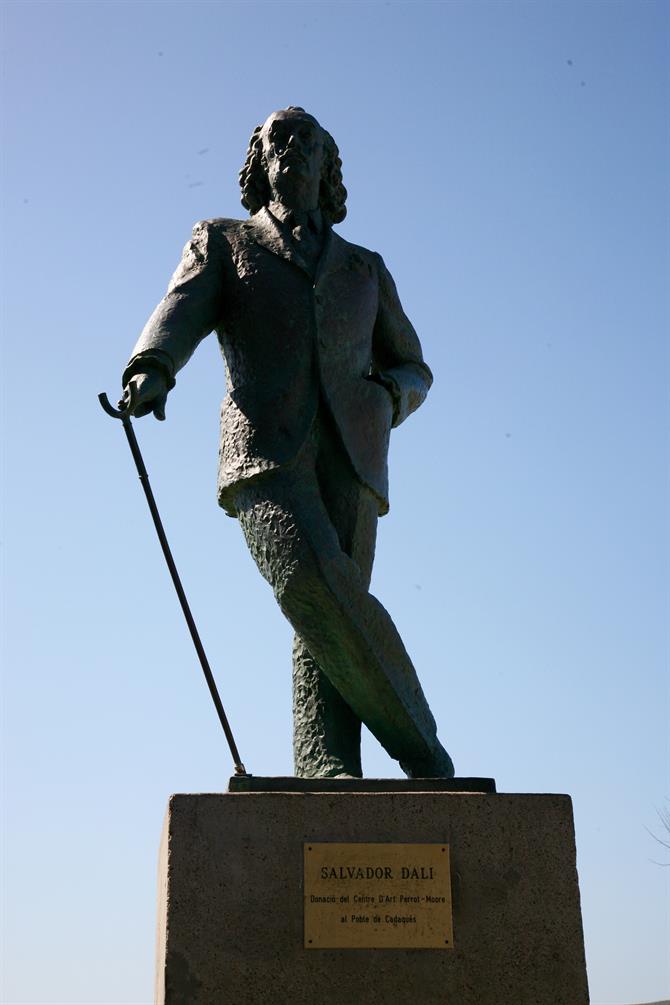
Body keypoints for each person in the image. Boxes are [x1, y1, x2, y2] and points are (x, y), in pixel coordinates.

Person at [121, 106, 454, 779]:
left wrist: (389, 397)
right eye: (280, 136)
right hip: (264, 452)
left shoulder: (365, 269)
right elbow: (181, 308)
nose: (294, 146)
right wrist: (151, 367)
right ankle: (422, 745)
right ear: (259, 159)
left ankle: (327, 762)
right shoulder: (225, 241)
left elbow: (413, 365)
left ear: (330, 167)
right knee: (311, 582)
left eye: (310, 140)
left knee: (329, 614)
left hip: (355, 456)